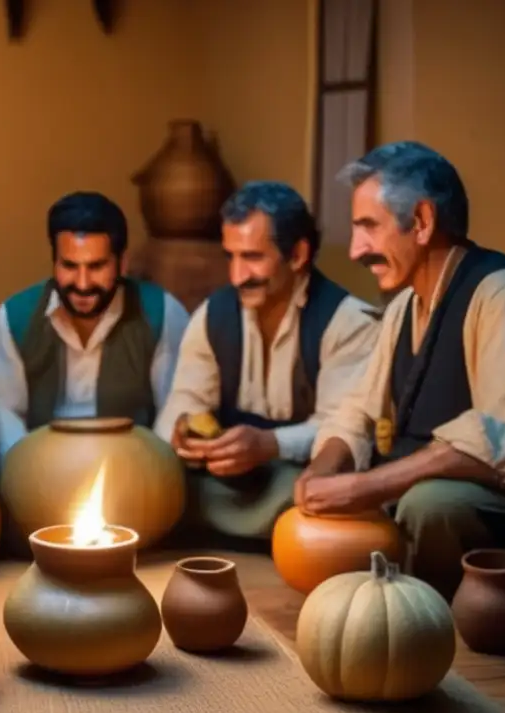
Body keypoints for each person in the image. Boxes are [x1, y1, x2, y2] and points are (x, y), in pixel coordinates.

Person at [299, 141, 505, 601]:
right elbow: (357, 413)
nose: (357, 249)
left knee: (428, 504)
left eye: (368, 227)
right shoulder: (402, 306)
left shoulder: (501, 293)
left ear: (421, 222)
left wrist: (368, 484)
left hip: (492, 500)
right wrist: (322, 471)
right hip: (409, 488)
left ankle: (432, 614)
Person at [154, 182, 380, 541]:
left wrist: (269, 445)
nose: (237, 276)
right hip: (225, 479)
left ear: (297, 254)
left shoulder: (349, 322)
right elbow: (180, 406)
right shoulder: (213, 316)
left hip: (295, 478)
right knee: (155, 479)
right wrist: (184, 435)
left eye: (253, 257)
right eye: (231, 256)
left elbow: (342, 431)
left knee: (309, 496)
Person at [0, 191, 189, 464]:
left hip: (133, 470)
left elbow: (174, 413)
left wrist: (146, 474)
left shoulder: (162, 313)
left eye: (96, 266)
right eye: (69, 265)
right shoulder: (14, 318)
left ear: (122, 263)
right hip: (42, 472)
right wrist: (29, 476)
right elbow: (5, 416)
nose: (82, 284)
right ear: (54, 262)